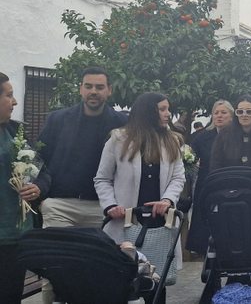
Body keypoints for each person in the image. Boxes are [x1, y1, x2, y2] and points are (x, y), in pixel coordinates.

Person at [33, 67, 127, 304]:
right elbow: (38, 157)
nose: (93, 91)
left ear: (109, 90)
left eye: (99, 87)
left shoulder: (122, 123)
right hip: (60, 205)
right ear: (80, 88)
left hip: (102, 209)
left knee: (99, 273)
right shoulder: (58, 118)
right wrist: (43, 198)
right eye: (88, 86)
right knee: (54, 271)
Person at [94, 92, 185, 244]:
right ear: (148, 111)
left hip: (160, 222)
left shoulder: (172, 141)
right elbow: (103, 178)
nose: (168, 114)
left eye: (168, 109)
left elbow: (178, 177)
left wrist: (167, 200)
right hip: (125, 220)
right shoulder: (118, 139)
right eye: (162, 109)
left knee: (160, 265)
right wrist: (111, 205)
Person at [0, 73, 39, 304]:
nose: (15, 102)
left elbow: (41, 168)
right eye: (9, 95)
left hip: (16, 234)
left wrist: (36, 188)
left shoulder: (15, 131)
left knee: (10, 295)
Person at [185, 100, 234, 255]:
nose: (219, 116)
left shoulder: (239, 136)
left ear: (232, 116)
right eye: (216, 113)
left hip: (232, 186)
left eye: (223, 113)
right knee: (206, 229)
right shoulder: (202, 137)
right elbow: (191, 157)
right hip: (207, 186)